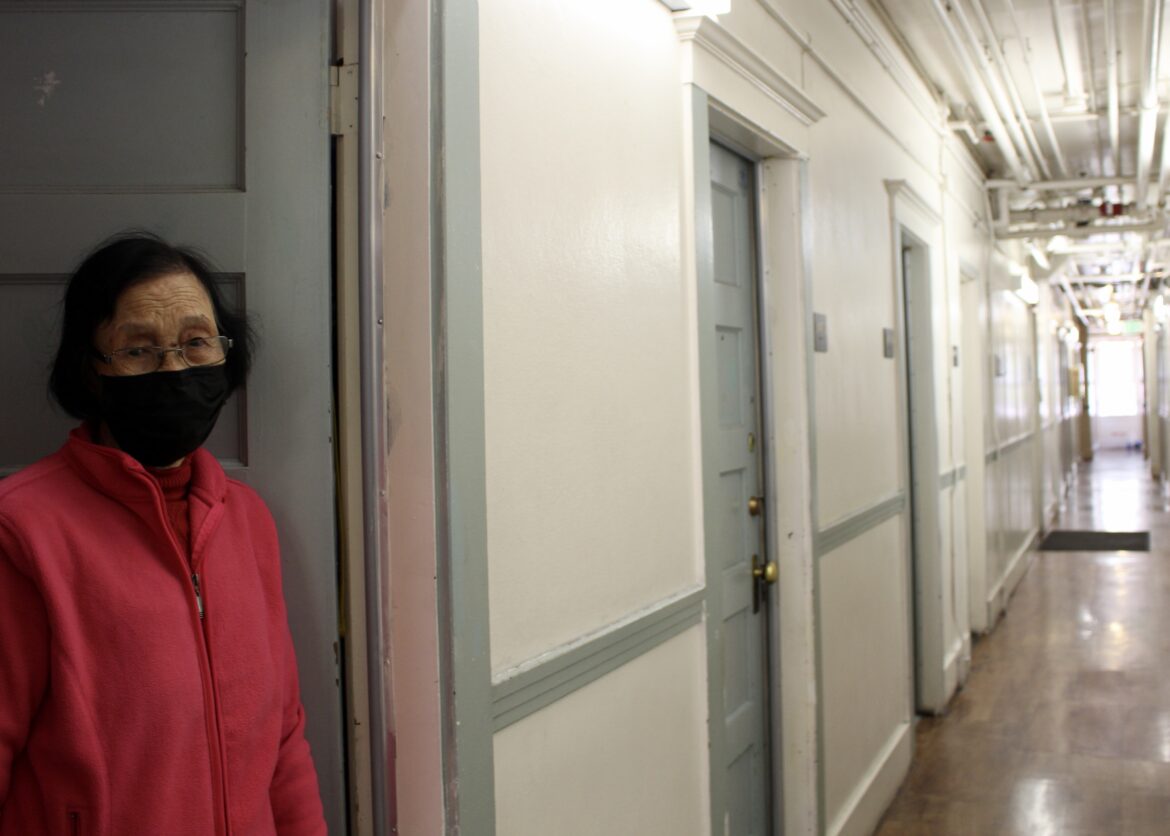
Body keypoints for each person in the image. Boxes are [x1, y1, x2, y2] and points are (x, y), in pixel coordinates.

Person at [0, 234, 327, 835]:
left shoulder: (249, 520)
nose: (174, 369)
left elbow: (284, 738)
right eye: (139, 349)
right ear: (92, 370)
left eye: (195, 342)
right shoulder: (21, 531)